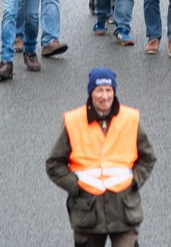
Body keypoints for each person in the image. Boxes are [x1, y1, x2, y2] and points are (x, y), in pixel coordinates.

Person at [46, 68, 155, 247]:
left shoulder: (129, 119)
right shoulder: (73, 121)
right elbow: (54, 164)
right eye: (99, 90)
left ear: (114, 92)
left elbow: (148, 157)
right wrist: (76, 188)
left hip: (124, 209)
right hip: (88, 211)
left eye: (108, 90)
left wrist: (135, 182)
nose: (104, 96)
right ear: (91, 93)